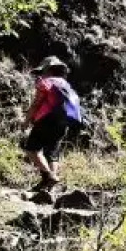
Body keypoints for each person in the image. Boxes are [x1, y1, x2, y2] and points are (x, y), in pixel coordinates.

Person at [22, 56, 83, 190]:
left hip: (46, 119)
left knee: (32, 149)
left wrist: (26, 121)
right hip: (63, 122)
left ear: (48, 70)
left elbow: (36, 104)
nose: (41, 75)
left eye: (42, 71)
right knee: (52, 154)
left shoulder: (46, 82)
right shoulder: (65, 84)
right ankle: (48, 187)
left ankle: (49, 176)